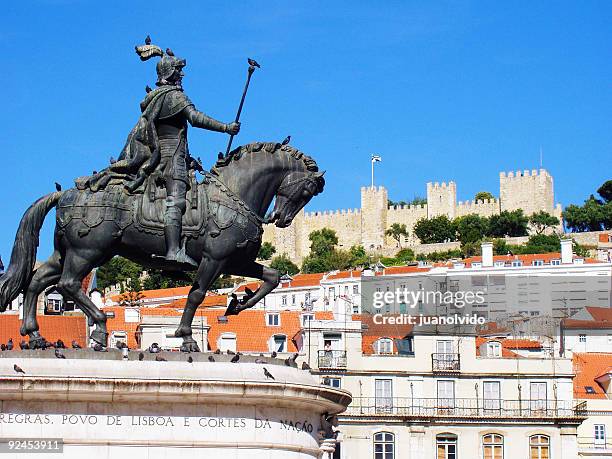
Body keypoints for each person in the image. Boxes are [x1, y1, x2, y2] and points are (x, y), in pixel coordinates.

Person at [115, 42, 239, 268]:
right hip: (171, 159)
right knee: (177, 200)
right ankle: (173, 250)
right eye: (178, 71)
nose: (181, 74)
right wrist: (225, 127)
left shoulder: (156, 98)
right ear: (170, 73)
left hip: (169, 154)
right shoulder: (174, 97)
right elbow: (195, 118)